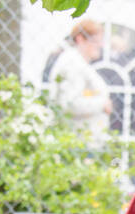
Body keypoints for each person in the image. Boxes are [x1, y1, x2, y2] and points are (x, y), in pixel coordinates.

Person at [47, 19, 112, 147]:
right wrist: (102, 104)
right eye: (96, 41)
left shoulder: (79, 62)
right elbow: (69, 103)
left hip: (83, 141)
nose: (101, 45)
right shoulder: (72, 64)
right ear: (80, 39)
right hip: (76, 143)